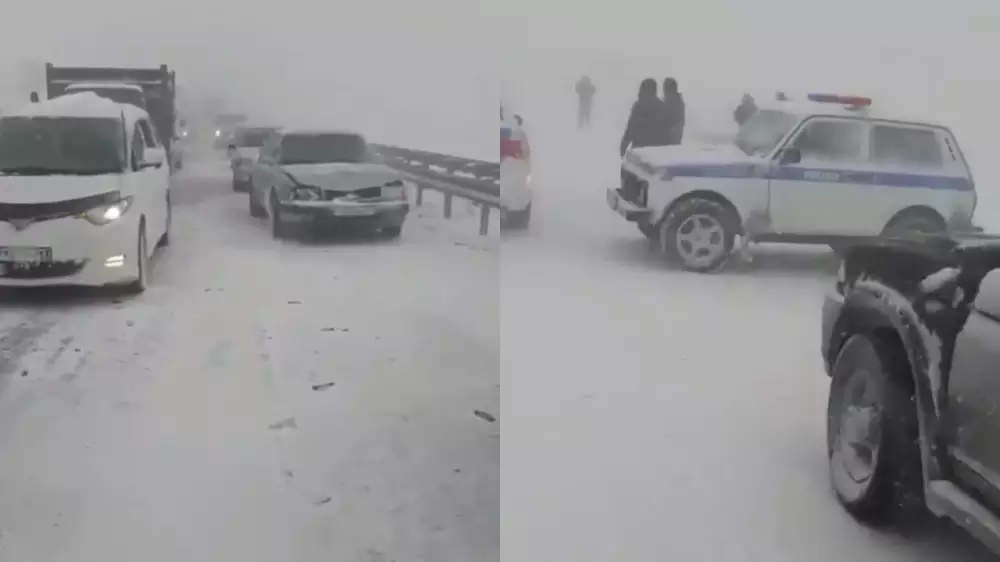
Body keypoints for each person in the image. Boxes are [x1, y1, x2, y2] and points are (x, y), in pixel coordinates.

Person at [619, 78, 671, 157]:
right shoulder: (662, 107)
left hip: (645, 153)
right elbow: (668, 133)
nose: (640, 93)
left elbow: (630, 130)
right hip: (651, 154)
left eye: (642, 90)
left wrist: (623, 148)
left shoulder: (639, 107)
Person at [662, 77, 685, 145]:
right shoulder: (677, 102)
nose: (664, 92)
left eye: (665, 89)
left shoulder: (675, 103)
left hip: (671, 140)